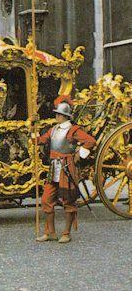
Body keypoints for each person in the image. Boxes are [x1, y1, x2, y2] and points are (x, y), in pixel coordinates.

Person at [35, 97, 96, 244]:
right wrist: (33, 127)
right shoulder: (53, 130)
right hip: (54, 168)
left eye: (58, 114)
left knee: (68, 201)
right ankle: (51, 232)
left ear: (65, 116)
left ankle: (66, 233)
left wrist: (79, 154)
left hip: (66, 168)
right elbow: (39, 141)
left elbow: (91, 141)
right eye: (56, 114)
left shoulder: (73, 130)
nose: (56, 116)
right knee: (46, 200)